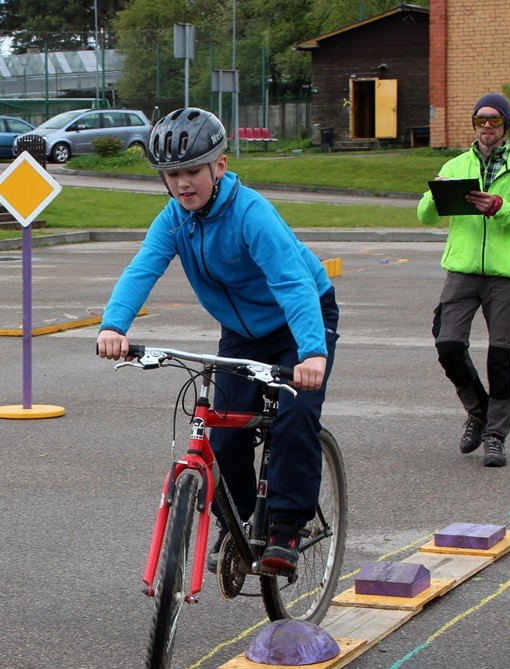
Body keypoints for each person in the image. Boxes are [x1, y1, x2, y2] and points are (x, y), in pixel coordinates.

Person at [97, 107, 339, 570]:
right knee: (224, 430)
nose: (182, 183)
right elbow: (142, 268)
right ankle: (241, 524)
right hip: (243, 333)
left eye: (192, 171)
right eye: (172, 174)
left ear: (220, 166)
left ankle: (286, 527)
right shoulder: (173, 219)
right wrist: (114, 326)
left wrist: (312, 353)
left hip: (301, 321)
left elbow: (294, 284)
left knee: (295, 415)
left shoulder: (252, 214)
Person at [417, 92, 510, 467]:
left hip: (504, 274)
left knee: (500, 356)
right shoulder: (456, 164)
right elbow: (425, 216)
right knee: (448, 344)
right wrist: (436, 191)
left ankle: (495, 436)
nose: (487, 126)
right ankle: (479, 410)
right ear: (474, 125)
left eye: (495, 119)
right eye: (480, 120)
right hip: (462, 269)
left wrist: (500, 207)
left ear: (505, 125)